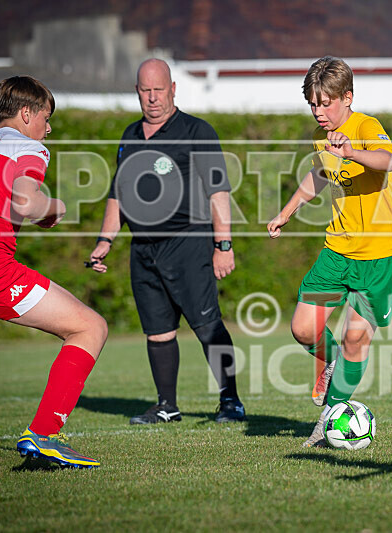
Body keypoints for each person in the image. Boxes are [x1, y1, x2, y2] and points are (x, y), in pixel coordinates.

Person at [0, 76, 107, 468]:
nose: (49, 127)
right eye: (46, 116)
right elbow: (27, 201)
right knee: (89, 327)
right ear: (27, 113)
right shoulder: (28, 146)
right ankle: (44, 435)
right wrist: (56, 207)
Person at [89, 59, 245, 424]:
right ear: (137, 92)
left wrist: (224, 245)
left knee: (207, 326)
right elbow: (118, 193)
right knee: (158, 332)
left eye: (159, 90)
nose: (153, 98)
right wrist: (104, 240)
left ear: (173, 89)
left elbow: (218, 191)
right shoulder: (129, 135)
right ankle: (166, 406)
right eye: (146, 90)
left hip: (188, 243)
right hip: (143, 249)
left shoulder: (196, 131)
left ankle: (230, 401)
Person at [267, 56, 392, 447]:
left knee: (355, 340)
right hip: (338, 251)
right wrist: (285, 213)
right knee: (302, 327)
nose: (318, 112)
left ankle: (332, 416)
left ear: (347, 97)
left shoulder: (366, 126)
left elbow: (387, 160)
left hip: (382, 254)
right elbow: (318, 176)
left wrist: (352, 152)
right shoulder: (321, 136)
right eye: (312, 104)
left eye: (325, 103)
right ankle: (330, 364)